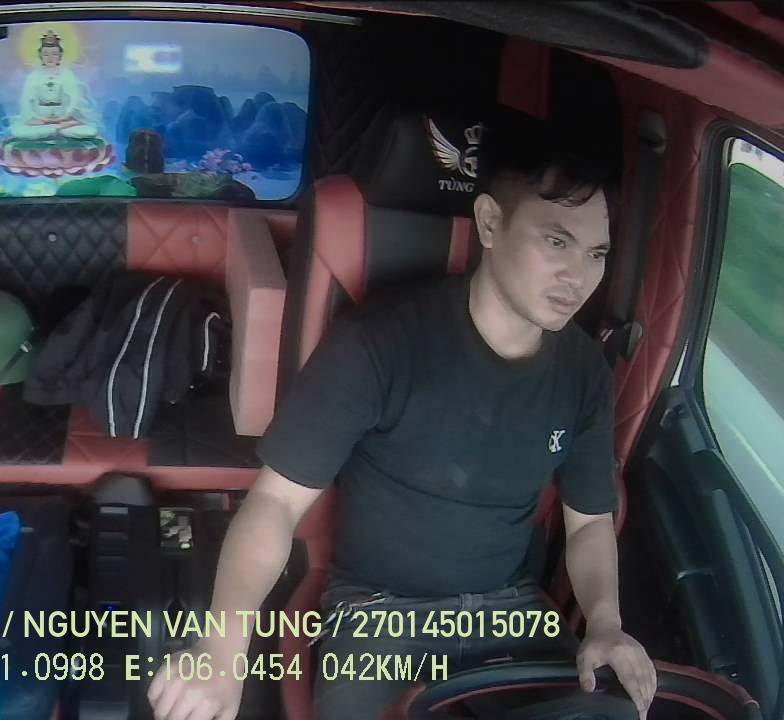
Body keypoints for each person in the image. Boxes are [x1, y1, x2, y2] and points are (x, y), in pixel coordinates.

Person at [147, 121, 659, 719]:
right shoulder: (376, 344)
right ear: (489, 223)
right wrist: (222, 650)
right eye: (556, 242)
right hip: (379, 615)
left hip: (513, 612)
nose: (579, 276)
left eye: (596, 253)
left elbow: (589, 522)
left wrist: (605, 622)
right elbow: (275, 504)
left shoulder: (584, 372)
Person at [10, 30, 101, 140]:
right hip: (40, 121)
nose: (50, 58)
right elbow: (27, 102)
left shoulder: (67, 74)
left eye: (54, 54)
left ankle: (53, 129)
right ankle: (55, 129)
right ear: (41, 56)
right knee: (18, 131)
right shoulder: (33, 76)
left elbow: (74, 100)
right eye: (46, 54)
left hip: (64, 119)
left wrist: (64, 117)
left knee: (89, 131)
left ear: (60, 56)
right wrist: (38, 118)